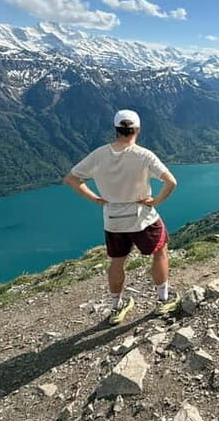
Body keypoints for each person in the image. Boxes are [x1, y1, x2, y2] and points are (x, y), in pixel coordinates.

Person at [63, 109, 179, 325]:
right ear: (138, 129)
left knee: (117, 261)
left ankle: (116, 307)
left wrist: (96, 199)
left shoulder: (98, 155)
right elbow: (171, 182)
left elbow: (71, 178)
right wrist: (155, 202)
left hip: (113, 220)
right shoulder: (144, 155)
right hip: (142, 218)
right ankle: (163, 299)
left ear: (116, 130)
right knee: (160, 252)